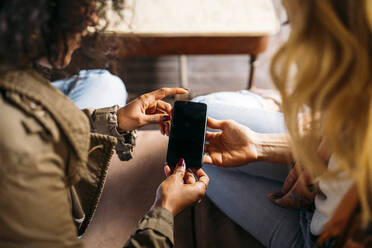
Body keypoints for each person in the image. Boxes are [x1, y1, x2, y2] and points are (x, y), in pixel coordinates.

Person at [0, 0, 209, 247]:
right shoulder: (20, 156)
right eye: (82, 5)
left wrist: (113, 121)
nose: (95, 20)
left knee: (105, 82)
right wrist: (163, 211)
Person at [194, 0, 372, 247]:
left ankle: (272, 104)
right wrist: (260, 146)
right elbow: (347, 144)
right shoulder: (358, 97)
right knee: (202, 123)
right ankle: (276, 107)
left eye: (296, 25)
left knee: (200, 160)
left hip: (316, 237)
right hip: (322, 189)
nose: (292, 49)